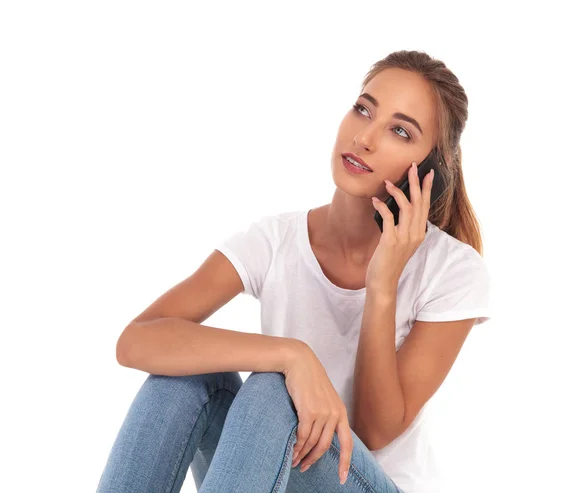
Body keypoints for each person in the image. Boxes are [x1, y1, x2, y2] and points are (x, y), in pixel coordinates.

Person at [96, 49, 493, 493]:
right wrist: (291, 355)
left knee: (271, 393)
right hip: (264, 474)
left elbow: (375, 430)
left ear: (431, 171)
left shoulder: (453, 270)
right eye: (364, 109)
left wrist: (383, 283)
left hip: (360, 482)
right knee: (193, 374)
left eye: (400, 131)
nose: (365, 137)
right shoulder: (275, 239)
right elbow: (137, 340)